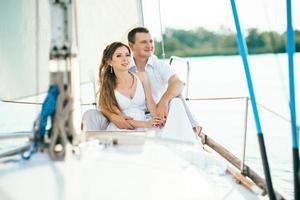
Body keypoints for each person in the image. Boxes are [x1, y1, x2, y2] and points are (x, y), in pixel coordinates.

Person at [102, 27, 201, 134]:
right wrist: (112, 116)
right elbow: (104, 103)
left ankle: (193, 129)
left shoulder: (157, 65)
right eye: (144, 42)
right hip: (133, 119)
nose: (149, 45)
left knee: (177, 98)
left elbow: (178, 83)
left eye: (151, 41)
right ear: (131, 45)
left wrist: (164, 102)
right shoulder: (120, 68)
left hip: (157, 111)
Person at [98, 42, 164, 130]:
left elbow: (150, 103)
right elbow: (121, 120)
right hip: (123, 129)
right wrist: (146, 124)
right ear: (109, 61)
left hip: (145, 122)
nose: (125, 59)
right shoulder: (108, 85)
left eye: (127, 55)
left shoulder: (142, 76)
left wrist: (158, 119)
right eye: (119, 56)